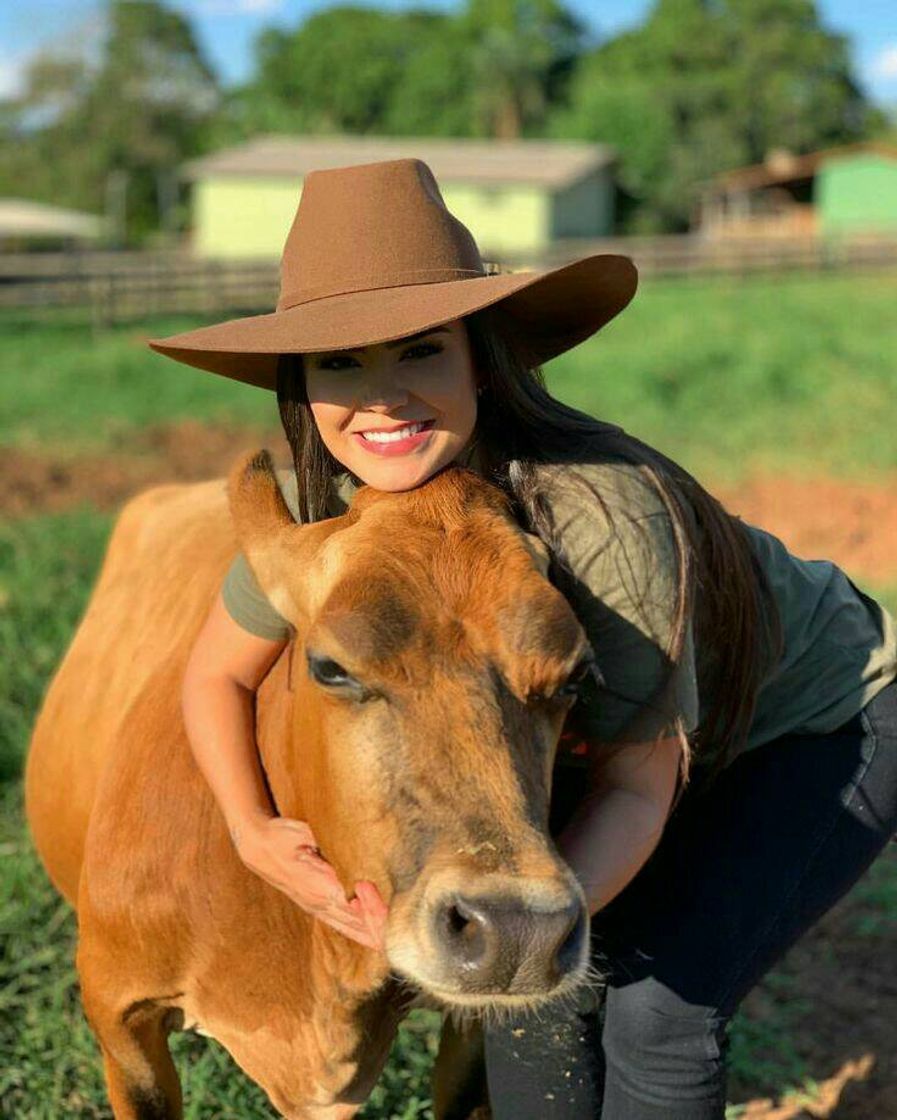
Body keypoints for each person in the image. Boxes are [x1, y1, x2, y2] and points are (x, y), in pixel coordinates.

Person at [149, 158, 897, 1120]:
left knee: (655, 1007)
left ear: (481, 356)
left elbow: (634, 782)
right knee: (522, 1001)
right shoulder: (338, 529)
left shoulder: (601, 514)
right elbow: (218, 675)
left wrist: (544, 905)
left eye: (420, 350)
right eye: (341, 362)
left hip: (824, 721)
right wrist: (253, 834)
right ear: (300, 388)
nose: (383, 399)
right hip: (641, 733)